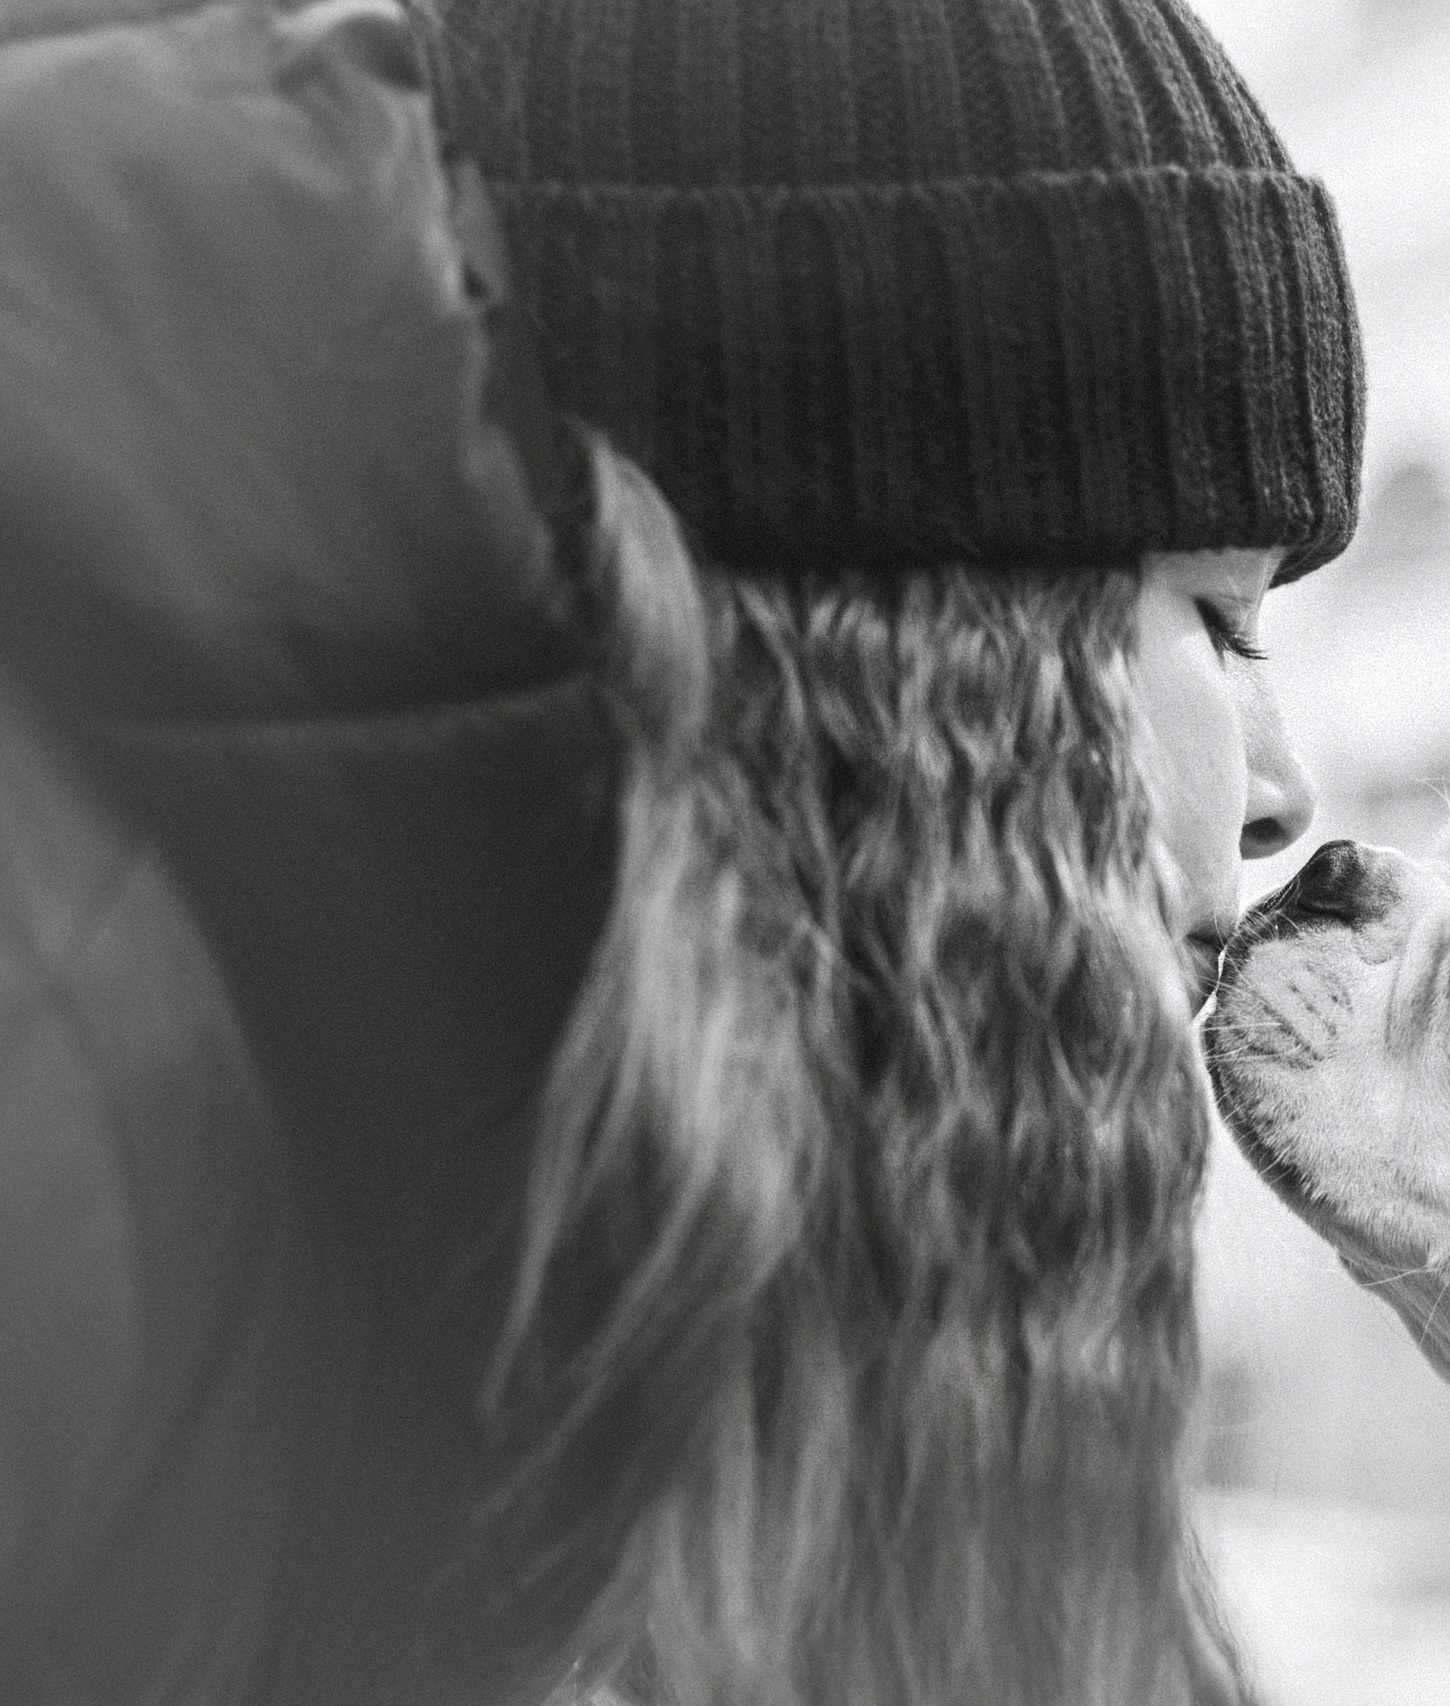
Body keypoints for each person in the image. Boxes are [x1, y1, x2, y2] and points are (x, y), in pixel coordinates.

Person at [0, 1, 1359, 1702]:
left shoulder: (530, 1156)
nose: (1283, 787)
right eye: (1219, 620)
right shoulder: (63, 1025)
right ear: (921, 640)